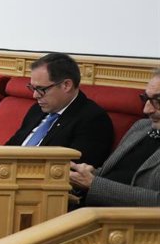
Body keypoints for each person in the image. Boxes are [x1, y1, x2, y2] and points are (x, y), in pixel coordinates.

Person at [69, 69, 160, 206]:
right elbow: (114, 174)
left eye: (158, 101)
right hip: (88, 206)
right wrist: (88, 174)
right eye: (146, 99)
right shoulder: (142, 126)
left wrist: (93, 184)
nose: (146, 110)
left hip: (122, 218)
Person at [5, 52, 114, 166]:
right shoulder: (37, 109)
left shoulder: (93, 120)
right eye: (33, 88)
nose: (35, 95)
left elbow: (73, 169)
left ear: (66, 85)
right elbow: (10, 147)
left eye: (41, 89)